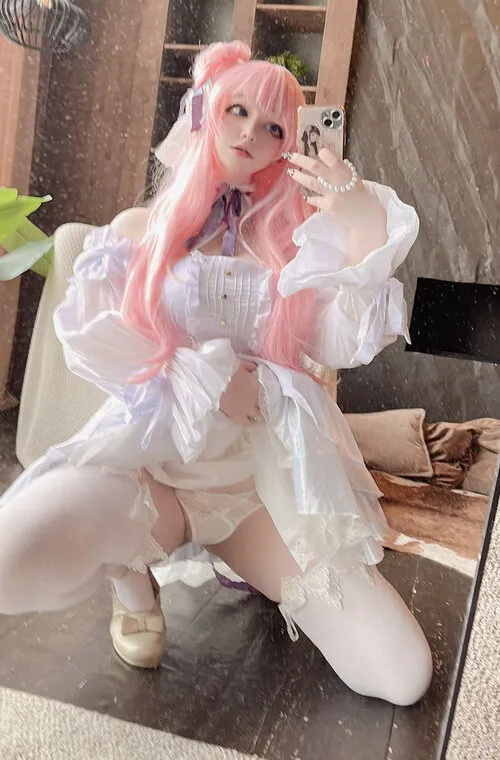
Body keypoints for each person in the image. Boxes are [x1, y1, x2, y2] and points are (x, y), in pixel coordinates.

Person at [0, 41, 433, 705]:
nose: (251, 133)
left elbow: (344, 340)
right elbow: (92, 340)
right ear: (206, 111)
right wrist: (201, 375)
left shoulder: (293, 249)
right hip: (151, 468)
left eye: (274, 127)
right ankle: (132, 576)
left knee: (402, 674)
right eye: (238, 110)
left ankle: (238, 566)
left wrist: (360, 224)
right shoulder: (140, 231)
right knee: (10, 554)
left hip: (255, 490)